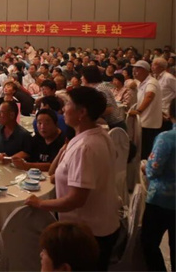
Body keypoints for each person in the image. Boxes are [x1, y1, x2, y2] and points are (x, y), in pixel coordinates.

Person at [25, 87, 119, 271]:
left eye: (68, 104)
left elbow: (76, 199)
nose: (63, 109)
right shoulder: (99, 134)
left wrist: (40, 203)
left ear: (82, 112)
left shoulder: (85, 147)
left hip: (88, 233)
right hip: (102, 224)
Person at [141, 98, 175, 272]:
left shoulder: (166, 138)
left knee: (149, 242)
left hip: (161, 199)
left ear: (170, 114)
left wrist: (144, 166)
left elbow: (152, 170)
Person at [128, 60, 164, 159]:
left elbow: (149, 96)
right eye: (134, 69)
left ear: (145, 70)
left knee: (146, 151)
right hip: (144, 122)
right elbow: (132, 84)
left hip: (149, 123)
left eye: (137, 70)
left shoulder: (151, 82)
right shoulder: (142, 82)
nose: (134, 72)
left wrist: (138, 111)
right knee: (142, 150)